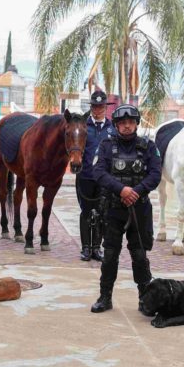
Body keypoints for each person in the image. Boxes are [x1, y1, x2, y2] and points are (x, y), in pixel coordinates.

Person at [90, 104, 162, 314]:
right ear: (117, 125)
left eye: (131, 122)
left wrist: (136, 191)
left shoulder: (148, 146)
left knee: (139, 256)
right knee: (110, 255)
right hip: (113, 209)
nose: (127, 126)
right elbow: (98, 171)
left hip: (139, 209)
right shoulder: (105, 145)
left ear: (136, 124)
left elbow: (156, 174)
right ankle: (105, 297)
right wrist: (121, 190)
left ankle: (145, 299)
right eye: (123, 123)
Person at [77, 90, 115, 261]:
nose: (98, 110)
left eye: (101, 107)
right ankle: (85, 248)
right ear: (91, 107)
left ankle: (96, 248)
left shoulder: (112, 128)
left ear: (105, 108)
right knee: (85, 212)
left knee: (101, 212)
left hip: (104, 178)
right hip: (85, 175)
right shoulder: (83, 126)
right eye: (95, 107)